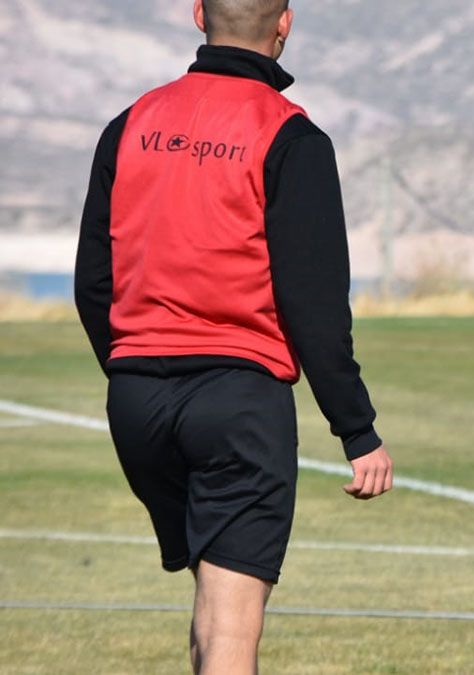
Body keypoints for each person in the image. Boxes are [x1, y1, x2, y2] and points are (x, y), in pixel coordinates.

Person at [74, 1, 394, 671]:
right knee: (231, 626)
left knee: (212, 603)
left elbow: (93, 283)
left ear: (199, 16)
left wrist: (133, 367)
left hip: (135, 401)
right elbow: (314, 304)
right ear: (285, 23)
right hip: (238, 402)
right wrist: (356, 428)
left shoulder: (130, 123)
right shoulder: (291, 136)